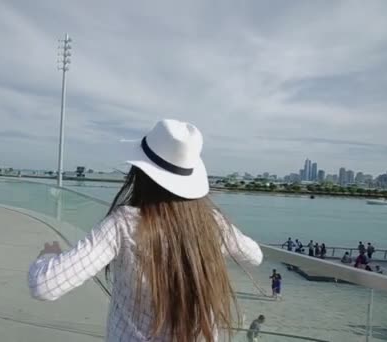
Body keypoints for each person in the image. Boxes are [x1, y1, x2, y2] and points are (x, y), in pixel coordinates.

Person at [28, 119, 263, 342]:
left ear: (139, 174)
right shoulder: (212, 222)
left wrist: (48, 255)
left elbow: (44, 285)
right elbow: (255, 256)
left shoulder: (124, 225)